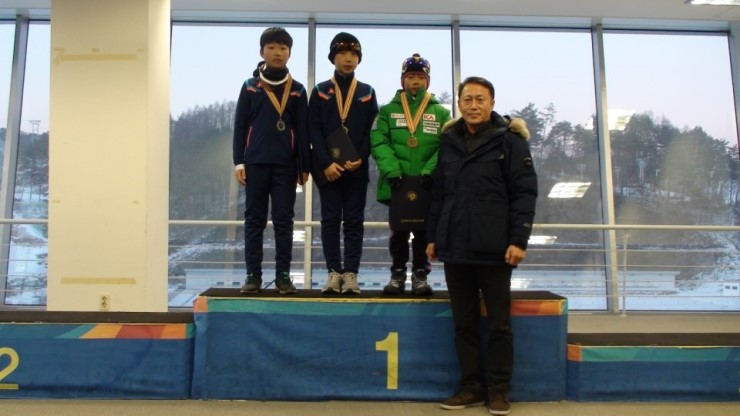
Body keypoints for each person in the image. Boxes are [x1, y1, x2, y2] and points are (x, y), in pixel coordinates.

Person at [426, 76, 537, 415]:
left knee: (499, 325)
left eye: (480, 99)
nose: (473, 105)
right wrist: (433, 236)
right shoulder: (448, 141)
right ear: (459, 103)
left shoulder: (511, 141)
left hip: (494, 248)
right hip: (455, 247)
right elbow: (439, 193)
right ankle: (471, 387)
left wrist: (518, 240)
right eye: (467, 99)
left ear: (492, 103)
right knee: (464, 324)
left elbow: (524, 193)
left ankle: (499, 390)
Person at [233, 27, 310, 295]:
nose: (277, 52)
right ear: (262, 52)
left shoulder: (297, 90)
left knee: (284, 221)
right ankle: (253, 275)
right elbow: (240, 126)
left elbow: (303, 131)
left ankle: (283, 275)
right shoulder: (250, 86)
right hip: (254, 164)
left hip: (286, 166)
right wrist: (239, 162)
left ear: (289, 53)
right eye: (272, 47)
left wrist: (304, 165)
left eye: (283, 48)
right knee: (254, 220)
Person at [370, 53, 451, 295]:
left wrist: (430, 171)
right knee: (398, 232)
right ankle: (397, 273)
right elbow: (378, 142)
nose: (415, 81)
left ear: (428, 81)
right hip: (397, 183)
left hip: (427, 184)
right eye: (411, 77)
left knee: (424, 233)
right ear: (402, 80)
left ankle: (420, 275)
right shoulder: (387, 111)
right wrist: (392, 171)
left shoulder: (441, 113)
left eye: (420, 77)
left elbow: (446, 146)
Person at [309, 32, 378, 294]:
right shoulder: (320, 91)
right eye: (342, 54)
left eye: (353, 54)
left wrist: (361, 157)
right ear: (332, 58)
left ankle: (350, 274)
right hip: (329, 171)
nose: (348, 59)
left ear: (359, 59)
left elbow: (372, 130)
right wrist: (326, 163)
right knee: (329, 221)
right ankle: (333, 272)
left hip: (356, 169)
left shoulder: (367, 92)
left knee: (353, 222)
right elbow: (313, 130)